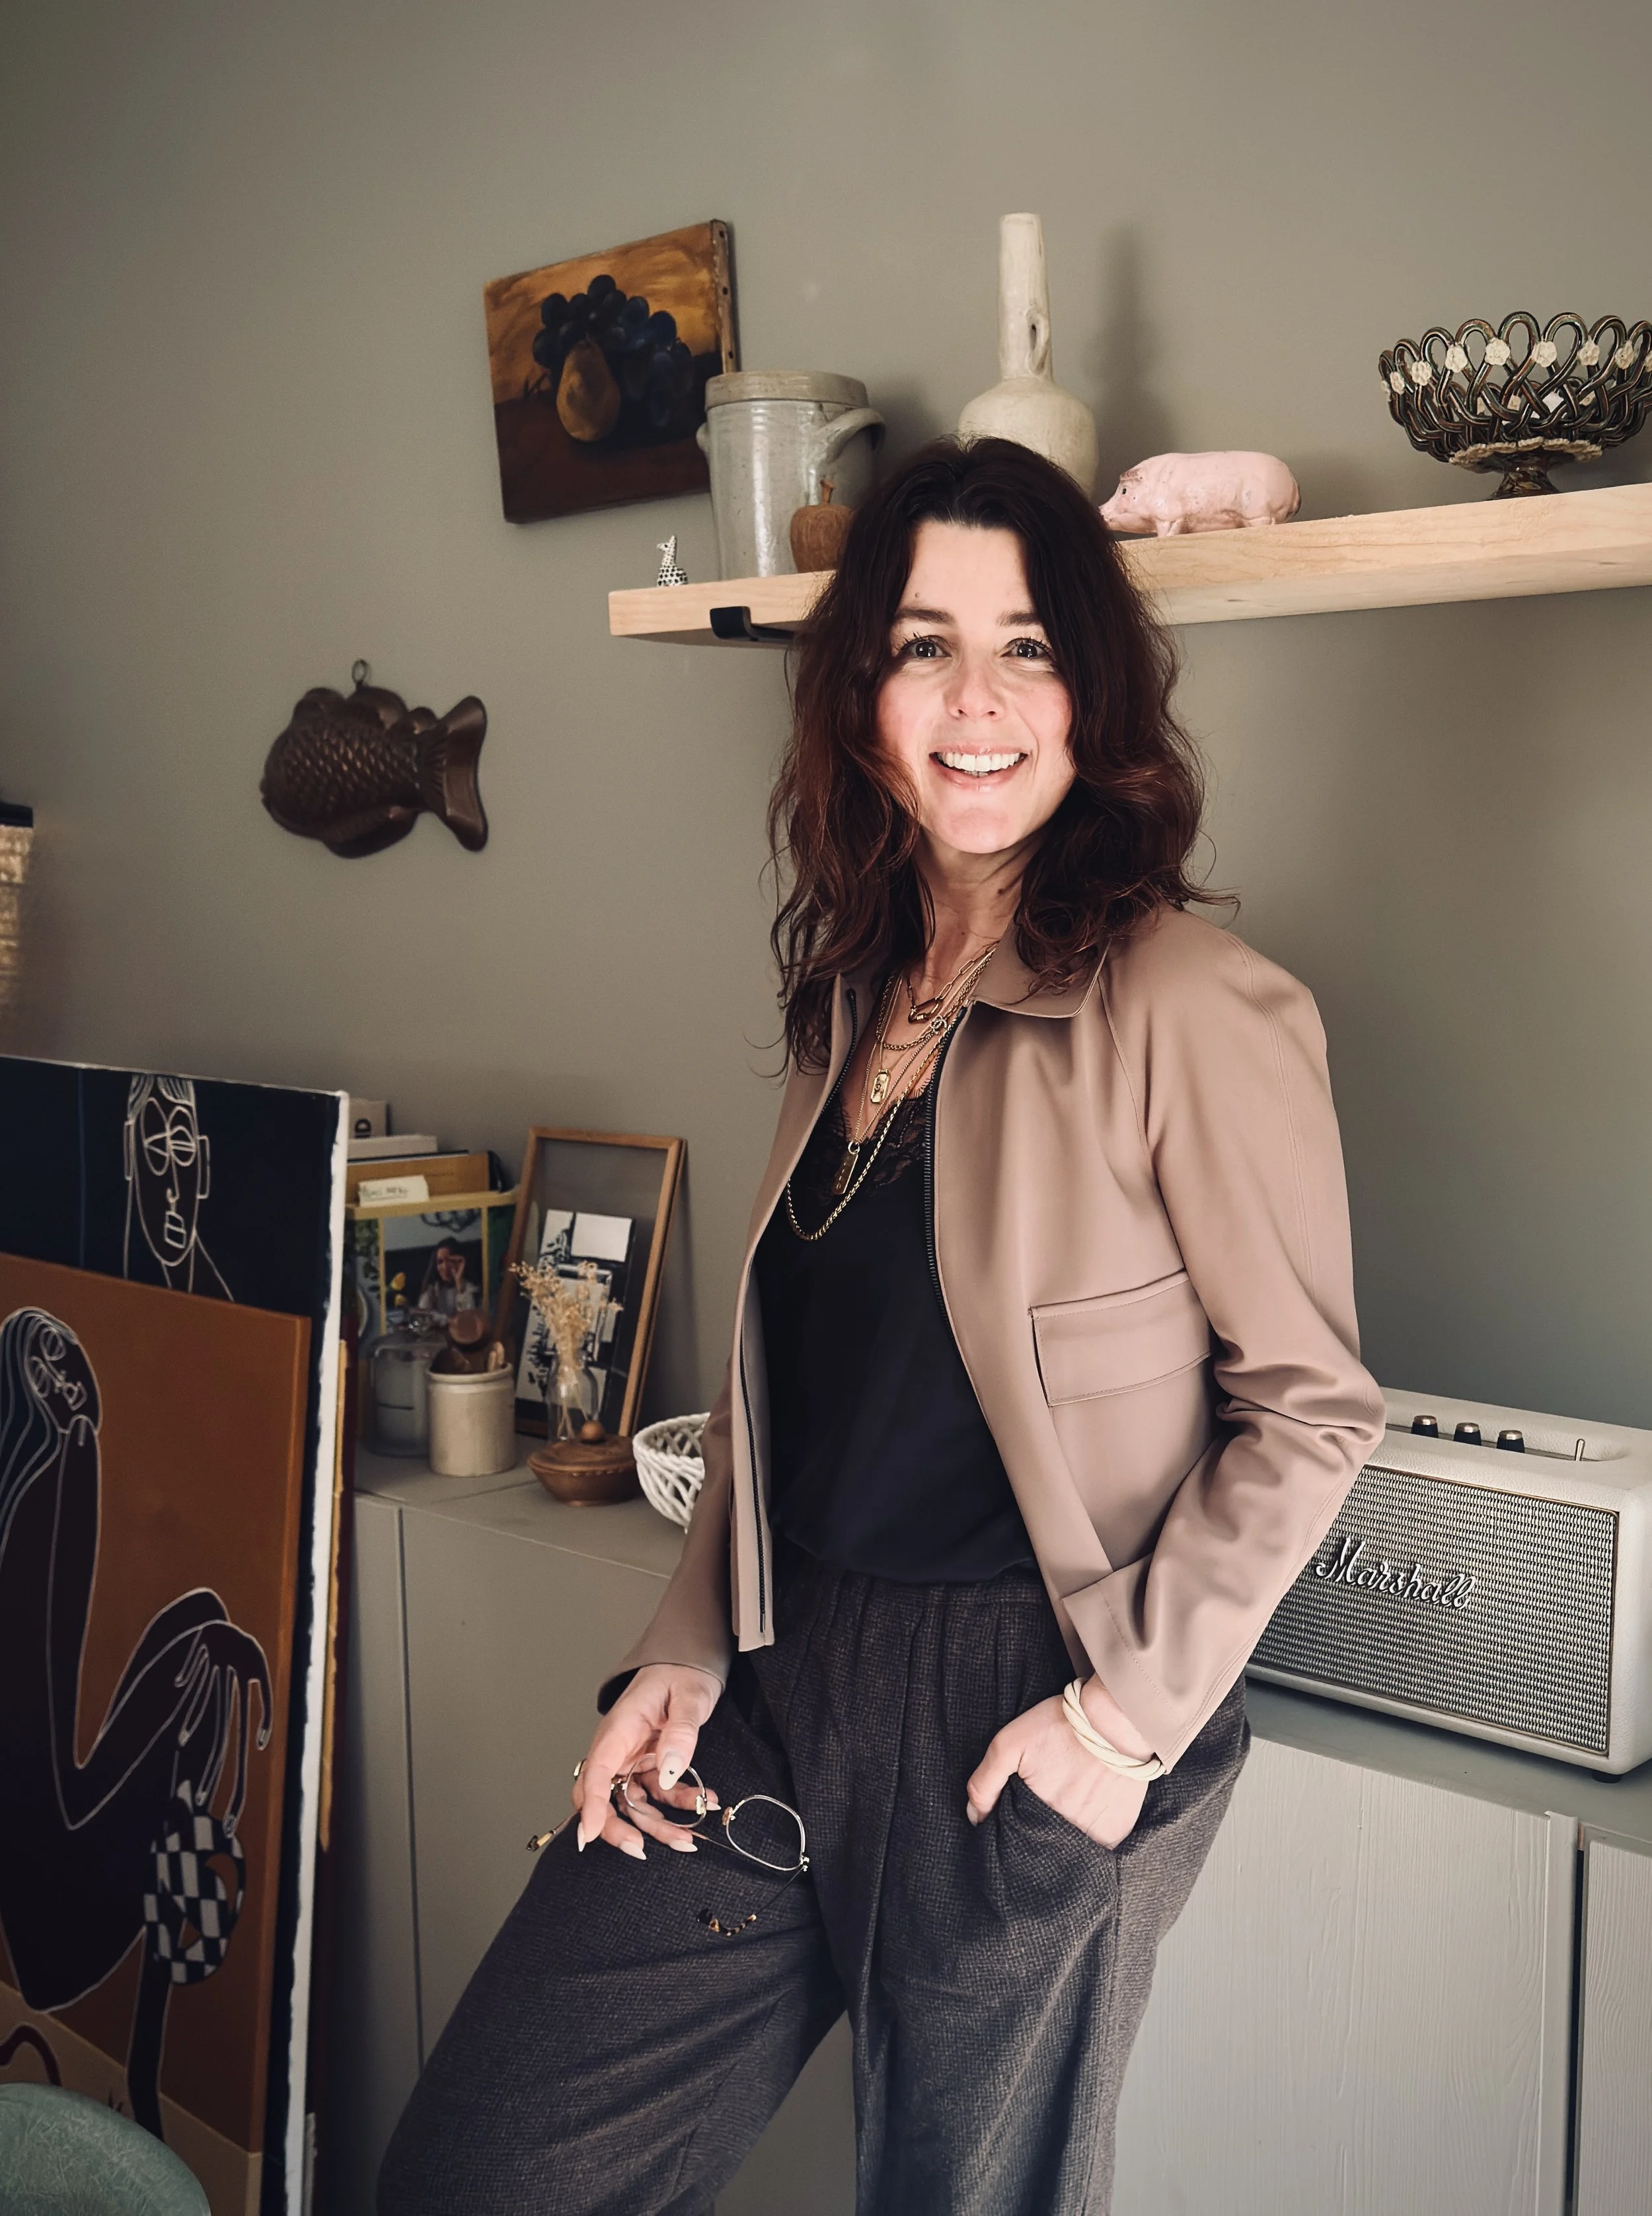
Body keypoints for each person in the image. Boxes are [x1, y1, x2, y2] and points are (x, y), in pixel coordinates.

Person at [378, 437, 1384, 2215]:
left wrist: (1118, 1727)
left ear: (1096, 700)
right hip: (781, 1673)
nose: (974, 701)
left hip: (1027, 1705)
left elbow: (1307, 1409)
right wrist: (684, 1647)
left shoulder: (1197, 1009)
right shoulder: (847, 987)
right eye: (923, 645)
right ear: (861, 701)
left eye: (1029, 648)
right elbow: (789, 1391)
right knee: (483, 2165)